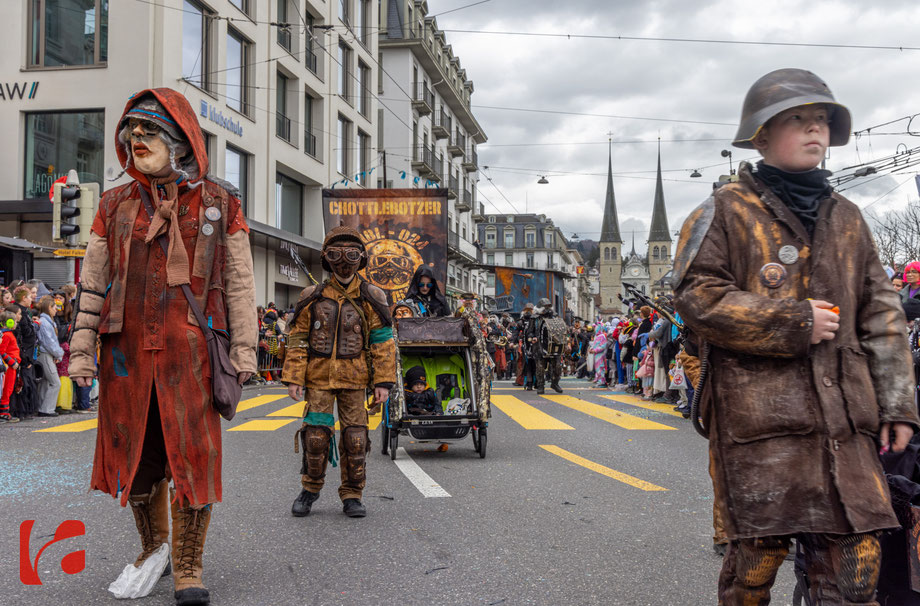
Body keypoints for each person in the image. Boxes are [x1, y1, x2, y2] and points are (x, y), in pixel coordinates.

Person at [672, 68, 919, 605]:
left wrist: (898, 404)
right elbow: (695, 294)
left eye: (822, 121)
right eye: (797, 121)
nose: (815, 131)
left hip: (845, 422)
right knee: (754, 568)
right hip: (761, 426)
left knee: (858, 570)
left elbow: (883, 312)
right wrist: (792, 321)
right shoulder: (724, 209)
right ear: (761, 135)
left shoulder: (848, 217)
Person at [69, 88, 258, 605]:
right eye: (131, 133)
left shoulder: (221, 202)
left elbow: (240, 283)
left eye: (148, 132)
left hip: (190, 358)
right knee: (138, 461)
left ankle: (189, 564)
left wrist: (244, 350)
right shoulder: (113, 205)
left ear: (178, 140)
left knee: (192, 460)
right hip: (125, 359)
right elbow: (93, 284)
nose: (136, 140)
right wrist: (82, 351)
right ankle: (155, 548)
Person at [282, 226, 396, 519]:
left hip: (355, 378)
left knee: (355, 438)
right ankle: (309, 489)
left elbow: (382, 342)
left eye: (351, 253)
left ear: (362, 258)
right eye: (336, 253)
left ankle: (353, 494)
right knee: (316, 436)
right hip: (319, 377)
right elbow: (297, 338)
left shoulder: (372, 296)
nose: (344, 260)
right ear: (326, 258)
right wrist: (294, 375)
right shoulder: (312, 296)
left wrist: (383, 381)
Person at [10, 285, 37, 420]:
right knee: (22, 383)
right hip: (22, 354)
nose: (32, 298)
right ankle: (20, 410)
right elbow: (21, 336)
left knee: (27, 382)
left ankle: (25, 410)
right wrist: (25, 358)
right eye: (29, 296)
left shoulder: (26, 312)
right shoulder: (19, 312)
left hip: (27, 352)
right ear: (23, 298)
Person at [528, 298, 564, 394]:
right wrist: (533, 337)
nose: (547, 309)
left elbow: (561, 329)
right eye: (545, 307)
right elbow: (529, 332)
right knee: (540, 367)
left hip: (553, 345)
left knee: (557, 366)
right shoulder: (534, 318)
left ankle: (555, 383)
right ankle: (540, 386)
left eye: (548, 306)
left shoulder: (554, 317)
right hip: (539, 346)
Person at [35, 295, 64, 417]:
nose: (56, 309)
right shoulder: (46, 323)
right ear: (49, 308)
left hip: (45, 354)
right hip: (46, 354)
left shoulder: (46, 321)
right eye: (54, 307)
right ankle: (47, 409)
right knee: (55, 382)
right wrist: (59, 354)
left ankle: (42, 407)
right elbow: (50, 342)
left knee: (46, 382)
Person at [0, 310, 19, 423]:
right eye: (15, 321)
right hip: (9, 367)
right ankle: (3, 413)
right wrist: (12, 362)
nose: (16, 324)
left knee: (9, 389)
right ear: (10, 322)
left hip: (12, 366)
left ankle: (5, 412)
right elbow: (2, 351)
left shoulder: (8, 334)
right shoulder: (6, 335)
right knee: (6, 389)